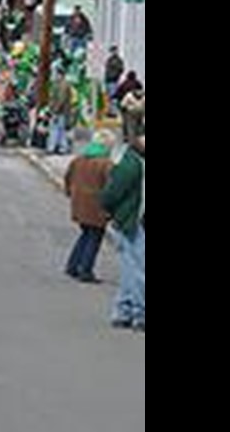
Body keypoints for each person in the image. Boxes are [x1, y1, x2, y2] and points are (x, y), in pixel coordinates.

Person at [100, 135, 145, 332]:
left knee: (131, 267)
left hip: (131, 221)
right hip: (131, 222)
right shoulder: (132, 165)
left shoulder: (134, 162)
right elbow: (111, 194)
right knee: (137, 269)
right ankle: (139, 313)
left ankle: (123, 311)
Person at [63, 131, 116, 284]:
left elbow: (68, 177)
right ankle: (85, 270)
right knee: (94, 237)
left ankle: (72, 265)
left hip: (79, 203)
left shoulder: (78, 159)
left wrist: (70, 193)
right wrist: (111, 208)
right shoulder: (106, 164)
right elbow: (111, 188)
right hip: (96, 207)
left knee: (85, 234)